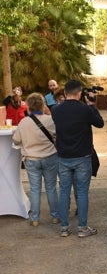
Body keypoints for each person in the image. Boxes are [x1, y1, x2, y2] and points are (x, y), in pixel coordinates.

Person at [51, 79, 104, 238]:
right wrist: (92, 105)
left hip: (63, 156)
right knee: (82, 192)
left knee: (64, 191)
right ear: (80, 92)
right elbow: (100, 123)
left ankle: (64, 228)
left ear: (65, 93)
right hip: (82, 156)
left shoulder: (56, 110)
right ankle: (82, 228)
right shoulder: (84, 109)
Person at [12, 93, 59, 226]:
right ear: (42, 105)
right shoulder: (50, 120)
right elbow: (57, 135)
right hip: (50, 157)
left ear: (28, 107)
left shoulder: (24, 122)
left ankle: (35, 218)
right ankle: (55, 216)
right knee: (51, 188)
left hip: (32, 159)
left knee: (34, 189)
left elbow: (16, 139)